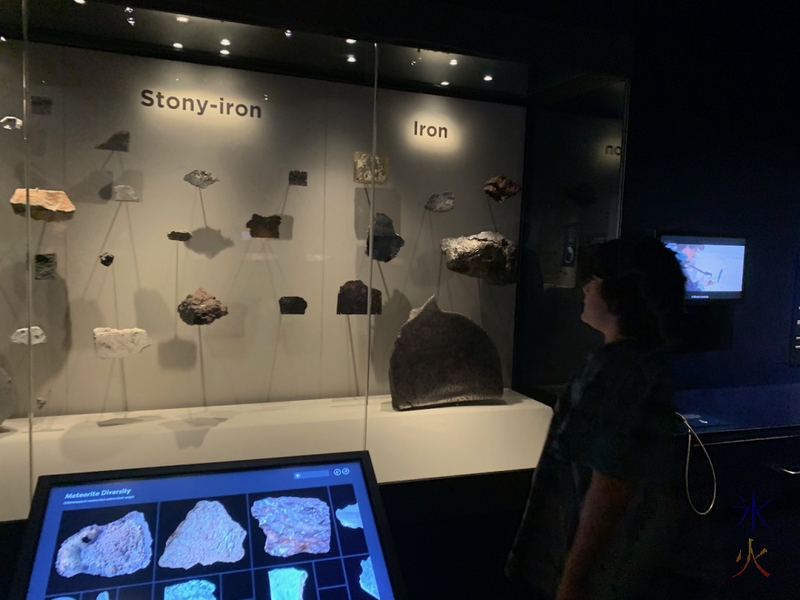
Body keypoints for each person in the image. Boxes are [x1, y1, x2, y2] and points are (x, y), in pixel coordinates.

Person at [505, 236, 704, 600]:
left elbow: (611, 485)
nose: (585, 287)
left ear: (619, 294)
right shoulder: (636, 361)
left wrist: (573, 581)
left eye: (594, 278)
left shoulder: (620, 369)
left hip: (602, 570)